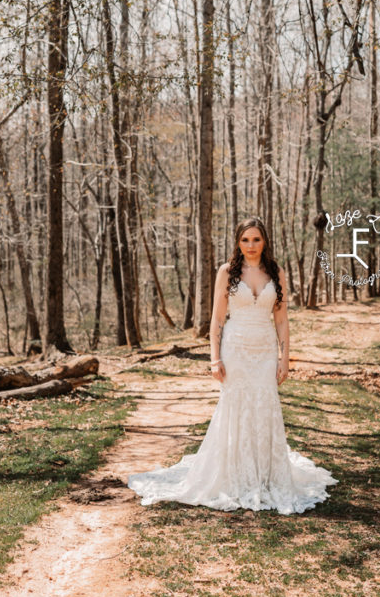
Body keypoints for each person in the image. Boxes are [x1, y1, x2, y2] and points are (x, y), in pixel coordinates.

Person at [127, 217, 338, 514]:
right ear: (238, 243)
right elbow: (216, 319)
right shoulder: (227, 272)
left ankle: (265, 476)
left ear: (264, 241)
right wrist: (214, 358)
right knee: (236, 407)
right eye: (245, 240)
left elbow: (281, 318)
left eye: (256, 239)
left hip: (264, 350)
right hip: (236, 348)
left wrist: (284, 357)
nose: (251, 246)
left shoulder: (276, 272)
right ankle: (234, 474)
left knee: (264, 406)